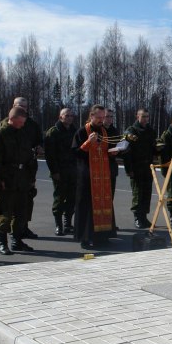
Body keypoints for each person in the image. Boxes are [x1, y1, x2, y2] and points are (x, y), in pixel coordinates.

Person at [0, 107, 37, 255]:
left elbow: (29, 157)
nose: (23, 124)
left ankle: (17, 241)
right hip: (7, 180)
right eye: (21, 121)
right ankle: (3, 243)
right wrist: (0, 179)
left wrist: (31, 178)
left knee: (22, 214)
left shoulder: (23, 135)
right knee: (5, 213)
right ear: (13, 119)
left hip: (22, 180)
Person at [72, 105, 119, 248]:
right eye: (98, 117)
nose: (101, 120)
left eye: (102, 117)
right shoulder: (82, 131)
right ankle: (85, 239)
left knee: (104, 204)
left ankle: (102, 237)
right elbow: (75, 153)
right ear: (91, 116)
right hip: (87, 176)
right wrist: (87, 143)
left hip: (103, 176)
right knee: (86, 207)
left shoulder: (104, 131)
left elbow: (105, 151)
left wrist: (114, 152)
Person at [0, 96, 43, 239]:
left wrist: (38, 148)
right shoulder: (4, 126)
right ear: (13, 106)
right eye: (20, 106)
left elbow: (39, 141)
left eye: (25, 106)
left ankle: (23, 228)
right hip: (10, 172)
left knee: (26, 201)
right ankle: (8, 236)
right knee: (8, 205)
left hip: (27, 169)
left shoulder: (32, 125)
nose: (23, 108)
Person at [43, 108, 76, 236]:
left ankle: (68, 223)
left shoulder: (75, 131)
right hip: (60, 171)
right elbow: (50, 155)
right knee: (59, 198)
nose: (69, 118)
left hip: (73, 171)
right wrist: (54, 171)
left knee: (72, 198)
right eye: (67, 115)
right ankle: (59, 225)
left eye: (71, 116)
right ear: (60, 117)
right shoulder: (53, 132)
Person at [123, 108, 157, 228]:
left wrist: (158, 148)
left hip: (147, 166)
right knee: (138, 193)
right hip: (136, 167)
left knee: (147, 193)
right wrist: (129, 169)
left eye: (147, 117)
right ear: (137, 116)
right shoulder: (131, 131)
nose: (145, 119)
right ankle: (137, 217)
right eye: (143, 117)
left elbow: (153, 148)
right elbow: (126, 152)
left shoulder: (150, 130)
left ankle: (144, 217)